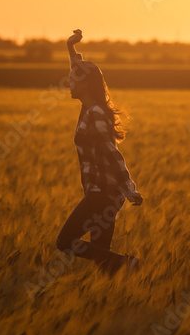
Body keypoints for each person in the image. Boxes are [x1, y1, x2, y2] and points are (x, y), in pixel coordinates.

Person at [56, 29, 143, 274]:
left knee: (64, 242)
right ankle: (113, 293)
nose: (69, 83)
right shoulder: (89, 106)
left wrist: (129, 187)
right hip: (104, 192)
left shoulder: (94, 113)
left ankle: (126, 263)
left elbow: (110, 151)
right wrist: (70, 49)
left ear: (84, 85)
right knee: (102, 261)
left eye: (73, 81)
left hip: (101, 192)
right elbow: (80, 70)